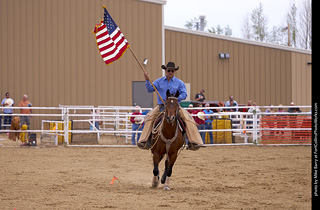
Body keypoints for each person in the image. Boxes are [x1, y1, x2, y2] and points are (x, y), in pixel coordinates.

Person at [137, 61, 204, 150]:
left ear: (174, 71)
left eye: (172, 71)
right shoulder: (159, 81)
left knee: (188, 119)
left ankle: (192, 141)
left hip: (175, 106)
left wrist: (174, 100)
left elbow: (184, 94)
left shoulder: (179, 83)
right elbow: (150, 89)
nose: (170, 72)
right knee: (149, 117)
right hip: (161, 106)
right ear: (166, 71)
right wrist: (147, 80)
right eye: (169, 70)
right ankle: (145, 140)